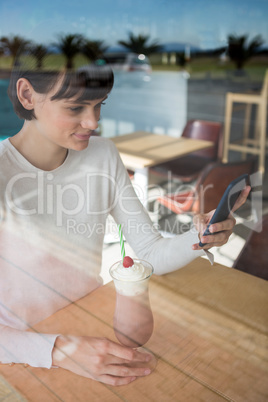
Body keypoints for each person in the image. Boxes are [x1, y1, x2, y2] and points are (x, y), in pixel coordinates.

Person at [0, 62, 250, 387]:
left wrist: (199, 236)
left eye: (99, 104)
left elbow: (150, 251)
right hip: (23, 352)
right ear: (27, 94)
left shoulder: (101, 154)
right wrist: (61, 351)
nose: (93, 122)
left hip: (93, 326)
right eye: (76, 107)